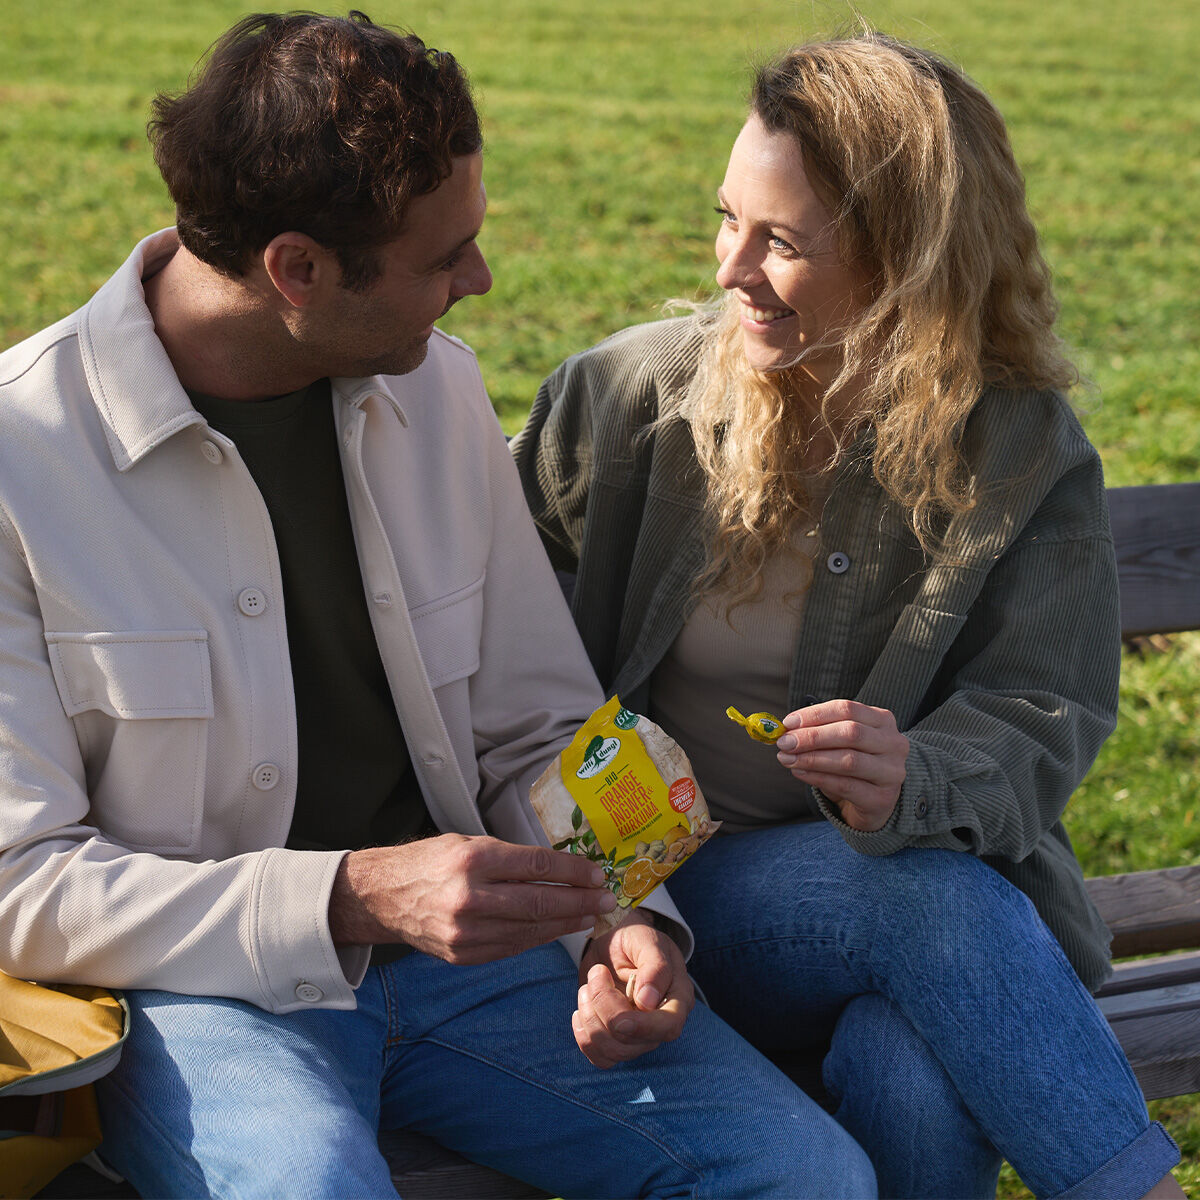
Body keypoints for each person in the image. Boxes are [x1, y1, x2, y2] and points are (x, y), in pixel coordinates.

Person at [0, 12, 881, 1198]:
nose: (479, 281)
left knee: (803, 1175)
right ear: (297, 271)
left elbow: (536, 727)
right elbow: (24, 884)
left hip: (489, 961)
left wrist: (622, 923)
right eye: (442, 257)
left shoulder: (439, 391)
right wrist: (357, 893)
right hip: (203, 989)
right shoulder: (23, 458)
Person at [511, 31, 1185, 1200]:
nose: (731, 269)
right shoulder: (623, 404)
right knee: (920, 898)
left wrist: (915, 774)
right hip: (665, 901)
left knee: (912, 1067)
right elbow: (479, 657)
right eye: (727, 219)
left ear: (907, 263)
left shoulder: (1016, 448)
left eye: (781, 242)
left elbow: (1049, 713)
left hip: (903, 902)